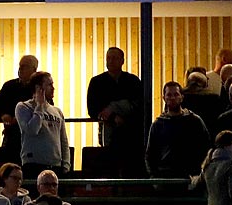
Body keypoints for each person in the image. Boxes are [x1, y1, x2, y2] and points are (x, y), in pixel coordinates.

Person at [86, 47, 144, 176]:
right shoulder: (97, 82)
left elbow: (140, 106)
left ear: (122, 61)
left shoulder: (133, 81)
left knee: (130, 165)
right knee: (109, 163)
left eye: (114, 58)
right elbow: (92, 109)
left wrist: (112, 109)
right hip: (109, 130)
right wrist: (113, 117)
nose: (111, 61)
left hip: (130, 132)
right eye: (108, 58)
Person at [147, 81, 212, 178]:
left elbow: (206, 147)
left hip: (191, 177)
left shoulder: (194, 121)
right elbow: (150, 154)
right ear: (164, 98)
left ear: (182, 97)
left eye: (176, 94)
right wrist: (154, 177)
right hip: (165, 177)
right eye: (169, 95)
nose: (172, 98)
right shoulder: (158, 125)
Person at [15, 71, 69, 175]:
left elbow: (63, 140)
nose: (53, 88)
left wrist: (66, 164)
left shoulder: (57, 111)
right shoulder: (23, 107)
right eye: (49, 85)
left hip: (55, 166)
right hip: (33, 164)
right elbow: (32, 130)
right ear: (38, 88)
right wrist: (39, 106)